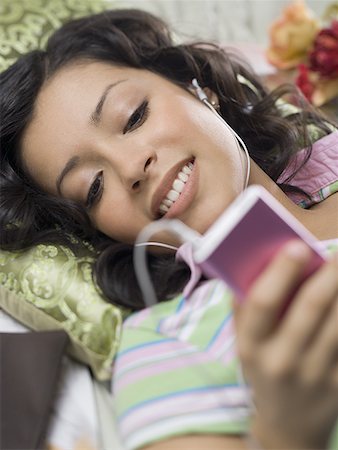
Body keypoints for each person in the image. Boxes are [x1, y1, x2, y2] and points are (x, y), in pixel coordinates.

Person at [0, 8, 337, 450]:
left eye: (134, 116)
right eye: (94, 188)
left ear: (201, 90)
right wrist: (286, 430)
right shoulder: (164, 347)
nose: (130, 167)